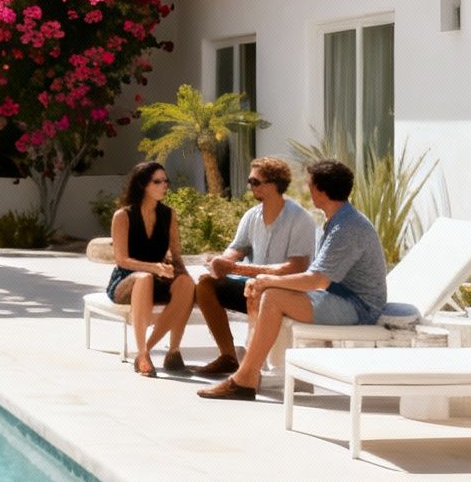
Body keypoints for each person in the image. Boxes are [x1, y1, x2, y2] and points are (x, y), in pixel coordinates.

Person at [199, 157, 389, 400]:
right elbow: (317, 279)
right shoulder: (338, 220)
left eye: (310, 184)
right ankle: (258, 371)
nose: (308, 189)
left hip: (358, 307)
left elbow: (316, 280)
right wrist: (262, 281)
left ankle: (246, 377)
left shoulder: (347, 226)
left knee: (273, 296)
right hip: (336, 297)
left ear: (320, 189)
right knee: (266, 292)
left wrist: (267, 280)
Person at [189, 156, 317, 376]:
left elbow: (295, 268)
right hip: (252, 286)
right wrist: (222, 261)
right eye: (250, 182)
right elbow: (237, 248)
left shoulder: (299, 218)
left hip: (283, 290)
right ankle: (228, 356)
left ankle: (250, 369)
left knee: (258, 288)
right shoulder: (251, 216)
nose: (250, 187)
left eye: (255, 182)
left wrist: (237, 269)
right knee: (205, 285)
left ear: (274, 184)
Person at [106, 160, 198, 378]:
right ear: (142, 185)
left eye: (166, 181)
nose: (164, 185)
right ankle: (143, 352)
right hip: (126, 280)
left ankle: (168, 350)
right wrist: (154, 268)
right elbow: (121, 260)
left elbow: (176, 255)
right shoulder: (123, 216)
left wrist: (182, 274)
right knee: (145, 277)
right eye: (157, 181)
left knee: (186, 283)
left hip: (157, 276)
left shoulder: (169, 214)